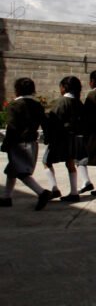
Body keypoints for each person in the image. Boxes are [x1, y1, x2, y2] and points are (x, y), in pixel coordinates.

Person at [1, 77, 52, 210]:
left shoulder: (14, 105)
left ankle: (41, 192)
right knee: (12, 170)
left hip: (18, 143)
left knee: (21, 172)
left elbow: (11, 127)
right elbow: (45, 123)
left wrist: (6, 144)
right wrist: (47, 137)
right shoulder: (37, 105)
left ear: (17, 90)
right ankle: (7, 197)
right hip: (31, 142)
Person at [42, 76, 84, 202]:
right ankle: (74, 192)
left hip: (60, 137)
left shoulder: (62, 102)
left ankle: (54, 189)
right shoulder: (78, 102)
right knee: (70, 163)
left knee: (46, 161)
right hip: (73, 137)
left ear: (64, 87)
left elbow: (54, 120)